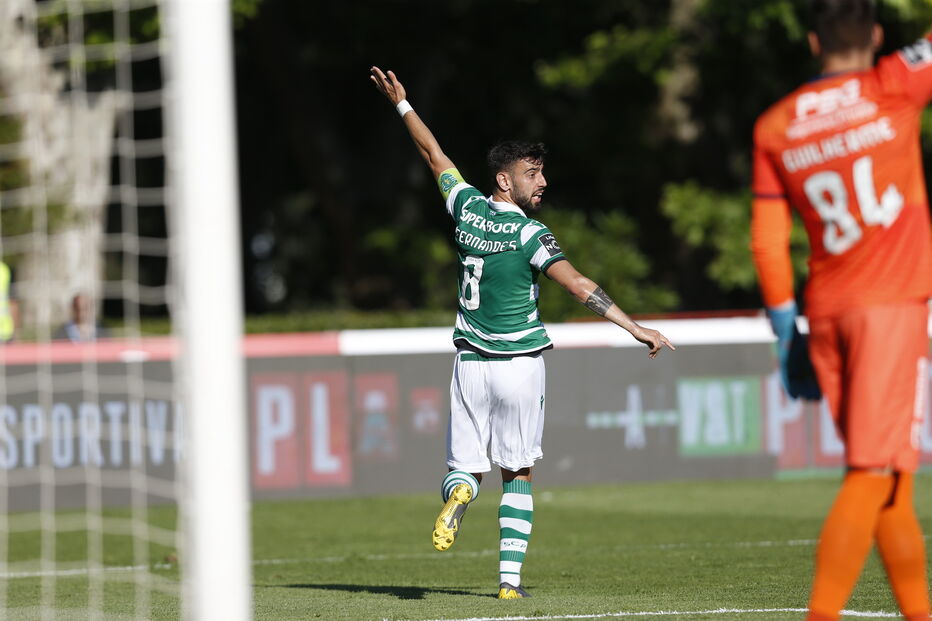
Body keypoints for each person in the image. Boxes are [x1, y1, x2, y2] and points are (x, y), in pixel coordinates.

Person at [370, 66, 675, 599]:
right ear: (506, 180)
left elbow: (433, 155)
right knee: (518, 473)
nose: (544, 182)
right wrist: (634, 326)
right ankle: (509, 584)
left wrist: (402, 105)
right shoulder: (530, 233)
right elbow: (578, 285)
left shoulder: (465, 210)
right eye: (533, 173)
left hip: (469, 364)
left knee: (464, 470)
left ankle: (460, 493)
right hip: (518, 366)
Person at [750, 2, 932, 620]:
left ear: (811, 41)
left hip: (826, 312)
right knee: (871, 474)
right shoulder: (894, 83)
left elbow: (768, 242)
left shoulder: (774, 125)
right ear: (878, 36)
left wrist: (785, 333)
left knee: (891, 486)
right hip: (889, 308)